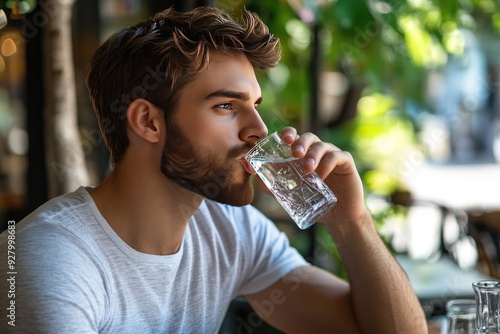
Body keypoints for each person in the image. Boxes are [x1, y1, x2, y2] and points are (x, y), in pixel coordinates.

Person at [0, 6, 427, 333]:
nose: (260, 130)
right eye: (226, 105)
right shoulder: (49, 259)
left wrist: (352, 222)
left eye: (255, 106)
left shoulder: (229, 230)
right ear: (149, 122)